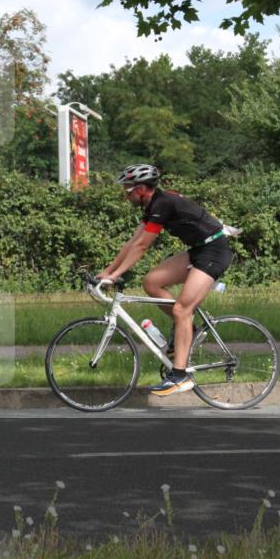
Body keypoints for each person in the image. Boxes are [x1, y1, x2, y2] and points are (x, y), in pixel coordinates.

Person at [96, 164, 233, 396]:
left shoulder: (163, 204)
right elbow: (133, 242)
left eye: (128, 190)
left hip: (214, 251)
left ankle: (180, 376)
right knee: (151, 282)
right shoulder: (153, 206)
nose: (125, 195)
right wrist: (107, 272)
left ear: (141, 189)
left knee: (181, 309)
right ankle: (188, 328)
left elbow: (142, 246)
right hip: (199, 250)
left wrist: (116, 276)